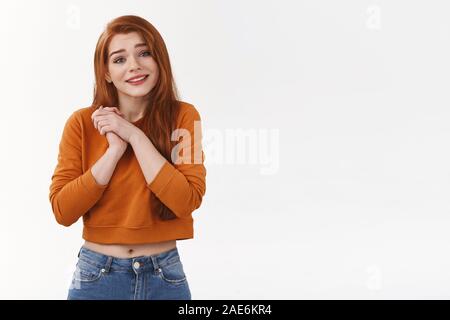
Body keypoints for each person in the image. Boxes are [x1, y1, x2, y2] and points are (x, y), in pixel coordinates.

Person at [49, 15, 206, 300]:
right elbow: (63, 210)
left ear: (159, 60)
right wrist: (114, 151)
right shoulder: (82, 123)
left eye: (144, 53)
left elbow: (186, 201)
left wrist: (135, 136)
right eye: (119, 59)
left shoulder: (184, 117)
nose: (134, 65)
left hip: (164, 276)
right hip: (96, 276)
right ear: (106, 72)